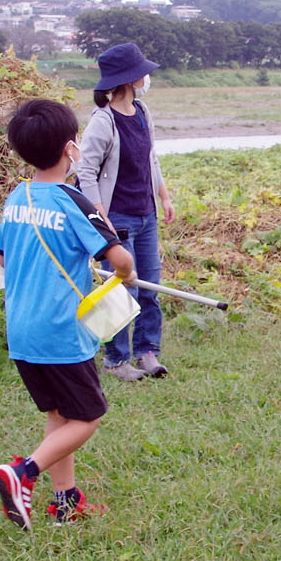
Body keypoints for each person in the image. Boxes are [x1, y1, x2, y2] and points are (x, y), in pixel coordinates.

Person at [0, 98, 136, 530]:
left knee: (61, 415)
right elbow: (122, 259)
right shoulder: (74, 200)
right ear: (71, 148)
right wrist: (122, 276)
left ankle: (66, 503)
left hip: (22, 332)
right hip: (60, 331)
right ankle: (21, 474)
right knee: (88, 416)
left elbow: (3, 258)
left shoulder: (17, 196)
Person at [76, 42, 174, 381]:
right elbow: (85, 172)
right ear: (130, 79)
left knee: (150, 287)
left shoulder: (143, 112)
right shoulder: (104, 121)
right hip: (118, 218)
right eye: (143, 73)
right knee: (121, 289)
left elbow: (151, 159)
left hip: (146, 214)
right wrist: (100, 216)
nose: (147, 78)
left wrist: (164, 196)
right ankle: (116, 360)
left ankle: (147, 351)